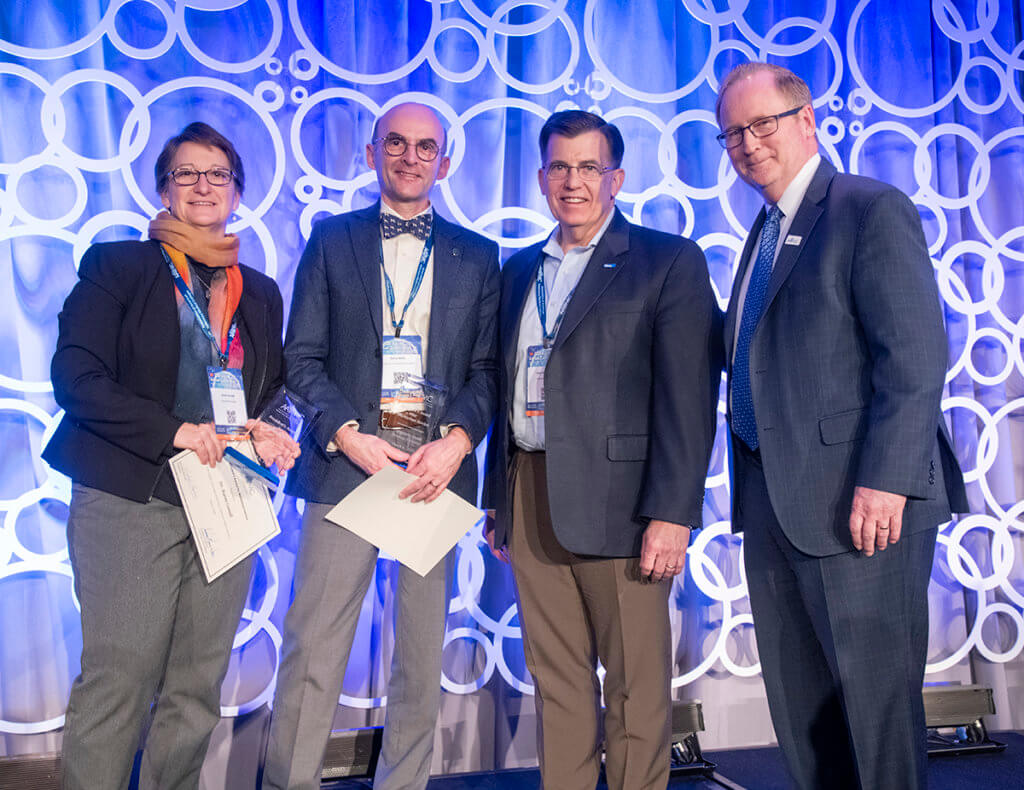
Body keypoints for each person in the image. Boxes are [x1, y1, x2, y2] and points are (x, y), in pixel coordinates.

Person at [715, 62, 968, 790]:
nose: (749, 142)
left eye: (762, 124)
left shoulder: (867, 207)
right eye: (734, 132)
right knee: (804, 718)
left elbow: (914, 359)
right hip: (773, 506)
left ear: (807, 121)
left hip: (861, 507)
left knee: (874, 716)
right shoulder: (763, 234)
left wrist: (886, 482)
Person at [45, 121, 300, 789]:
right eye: (186, 174)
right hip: (134, 496)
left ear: (238, 192)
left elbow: (269, 389)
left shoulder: (261, 291)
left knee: (197, 684)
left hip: (228, 500)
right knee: (120, 677)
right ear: (162, 188)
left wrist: (271, 428)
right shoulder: (120, 267)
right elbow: (76, 378)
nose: (202, 186)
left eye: (217, 174)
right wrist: (175, 431)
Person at [262, 102, 499, 790]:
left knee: (421, 660)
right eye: (395, 142)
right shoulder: (331, 239)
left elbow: (487, 370)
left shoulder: (478, 255)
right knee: (314, 651)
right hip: (347, 467)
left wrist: (456, 443)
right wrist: (346, 434)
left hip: (433, 473)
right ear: (371, 153)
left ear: (445, 163)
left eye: (426, 147)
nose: (410, 156)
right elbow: (301, 358)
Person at [485, 110, 721, 790]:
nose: (573, 181)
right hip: (529, 491)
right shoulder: (517, 269)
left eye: (589, 167)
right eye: (560, 166)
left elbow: (687, 398)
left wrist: (674, 513)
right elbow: (508, 385)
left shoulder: (667, 261)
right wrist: (497, 500)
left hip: (627, 507)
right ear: (540, 177)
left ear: (616, 178)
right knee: (554, 680)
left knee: (634, 687)